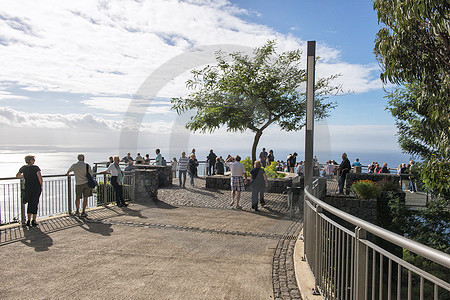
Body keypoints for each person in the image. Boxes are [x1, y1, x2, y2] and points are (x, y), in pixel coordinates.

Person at [16, 155, 43, 226]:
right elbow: (40, 178)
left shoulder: (23, 168)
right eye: (33, 159)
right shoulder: (35, 168)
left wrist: (24, 176)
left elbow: (18, 175)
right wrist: (40, 186)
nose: (34, 161)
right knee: (35, 203)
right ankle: (34, 220)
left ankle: (28, 220)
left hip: (28, 187)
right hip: (36, 188)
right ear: (30, 160)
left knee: (30, 203)